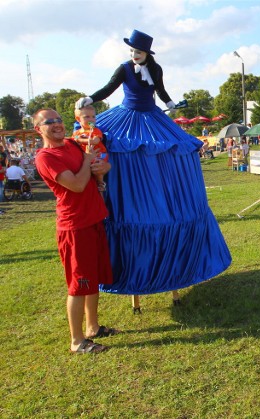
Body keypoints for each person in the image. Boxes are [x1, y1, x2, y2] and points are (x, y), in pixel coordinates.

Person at [75, 29, 231, 310]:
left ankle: (170, 226)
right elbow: (109, 89)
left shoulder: (156, 68)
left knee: (172, 148)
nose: (134, 55)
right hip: (128, 117)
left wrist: (170, 104)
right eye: (132, 51)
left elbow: (159, 90)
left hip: (153, 117)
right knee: (127, 148)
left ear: (147, 53)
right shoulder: (124, 69)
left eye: (138, 51)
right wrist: (89, 99)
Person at [33, 108, 119, 353]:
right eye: (49, 122)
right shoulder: (45, 157)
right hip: (74, 227)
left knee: (91, 279)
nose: (57, 124)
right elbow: (78, 185)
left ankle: (93, 327)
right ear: (39, 129)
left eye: (59, 119)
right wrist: (87, 159)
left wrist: (102, 167)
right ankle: (77, 341)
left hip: (93, 220)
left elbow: (100, 166)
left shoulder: (73, 145)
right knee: (78, 283)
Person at [73, 105, 109, 191]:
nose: (91, 119)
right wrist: (78, 139)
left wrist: (80, 140)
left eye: (93, 117)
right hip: (87, 156)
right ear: (78, 119)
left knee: (97, 168)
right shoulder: (77, 132)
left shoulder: (95, 130)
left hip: (99, 154)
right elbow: (74, 139)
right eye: (87, 117)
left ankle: (100, 183)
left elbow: (95, 141)